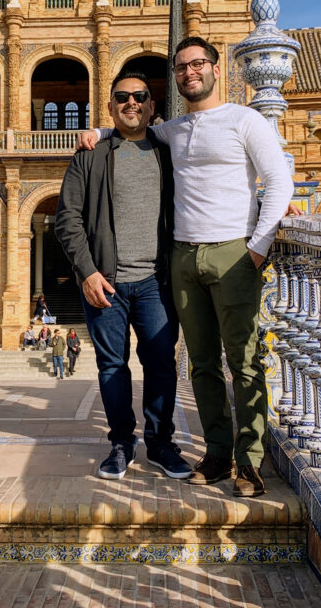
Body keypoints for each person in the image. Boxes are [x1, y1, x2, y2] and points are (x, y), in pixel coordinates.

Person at [78, 39, 294, 495]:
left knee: (245, 360)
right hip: (182, 257)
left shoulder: (245, 119)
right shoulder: (171, 130)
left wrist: (259, 245)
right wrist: (96, 132)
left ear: (216, 69)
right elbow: (129, 125)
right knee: (199, 364)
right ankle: (216, 453)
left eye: (198, 64)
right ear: (175, 77)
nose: (190, 73)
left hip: (234, 252)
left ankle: (249, 459)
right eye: (182, 67)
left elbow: (278, 180)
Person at [56, 71, 191, 481]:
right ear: (111, 106)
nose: (131, 102)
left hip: (156, 280)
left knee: (161, 365)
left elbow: (213, 184)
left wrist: (274, 203)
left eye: (140, 96)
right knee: (112, 366)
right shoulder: (91, 154)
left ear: (153, 106)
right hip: (105, 282)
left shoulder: (169, 152)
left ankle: (160, 443)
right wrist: (87, 272)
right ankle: (121, 442)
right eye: (122, 97)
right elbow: (68, 219)